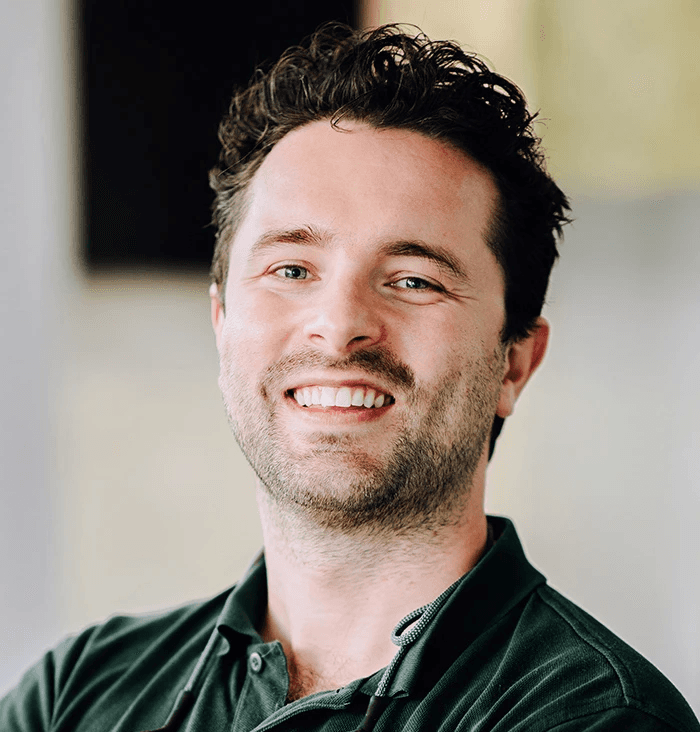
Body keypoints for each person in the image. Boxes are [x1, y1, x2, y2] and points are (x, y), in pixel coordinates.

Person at [1, 22, 698, 732]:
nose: (338, 326)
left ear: (514, 361)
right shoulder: (74, 696)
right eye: (291, 269)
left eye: (414, 280)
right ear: (222, 324)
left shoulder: (596, 718)